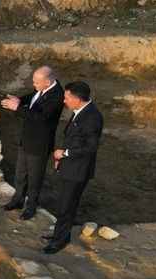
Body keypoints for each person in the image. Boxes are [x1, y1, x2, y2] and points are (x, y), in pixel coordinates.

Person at [43, 81, 104, 254]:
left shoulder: (92, 118)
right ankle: (60, 234)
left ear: (78, 99)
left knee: (67, 205)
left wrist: (64, 154)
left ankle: (60, 241)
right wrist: (61, 158)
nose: (64, 101)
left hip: (78, 171)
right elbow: (73, 138)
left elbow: (90, 148)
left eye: (67, 97)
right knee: (63, 202)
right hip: (69, 166)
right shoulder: (80, 111)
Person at [0, 66, 64, 220]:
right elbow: (33, 97)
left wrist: (18, 108)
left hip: (39, 144)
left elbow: (40, 117)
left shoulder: (57, 96)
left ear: (47, 82)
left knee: (35, 178)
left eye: (36, 82)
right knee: (20, 173)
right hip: (27, 139)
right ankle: (18, 200)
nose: (33, 85)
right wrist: (20, 100)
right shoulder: (42, 88)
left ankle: (31, 207)